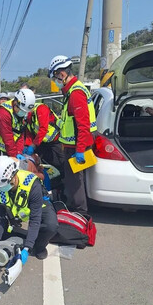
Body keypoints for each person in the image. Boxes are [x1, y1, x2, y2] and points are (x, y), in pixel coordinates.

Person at [0, 156, 59, 260]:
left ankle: (38, 247)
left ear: (13, 176)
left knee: (51, 225)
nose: (0, 189)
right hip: (15, 208)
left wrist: (27, 247)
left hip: (36, 206)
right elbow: (0, 215)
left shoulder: (32, 184)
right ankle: (7, 239)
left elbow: (35, 219)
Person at [48, 55, 97, 213]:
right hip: (74, 145)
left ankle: (80, 215)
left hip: (76, 147)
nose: (54, 81)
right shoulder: (71, 91)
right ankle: (77, 210)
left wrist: (80, 151)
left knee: (75, 184)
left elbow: (83, 125)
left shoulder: (75, 94)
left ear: (61, 74)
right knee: (74, 183)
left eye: (55, 77)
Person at [24, 101, 64, 175]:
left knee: (61, 162)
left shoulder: (41, 109)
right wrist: (27, 145)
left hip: (56, 140)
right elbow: (29, 131)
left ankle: (64, 180)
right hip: (43, 142)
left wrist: (33, 145)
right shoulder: (29, 116)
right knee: (44, 161)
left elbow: (43, 129)